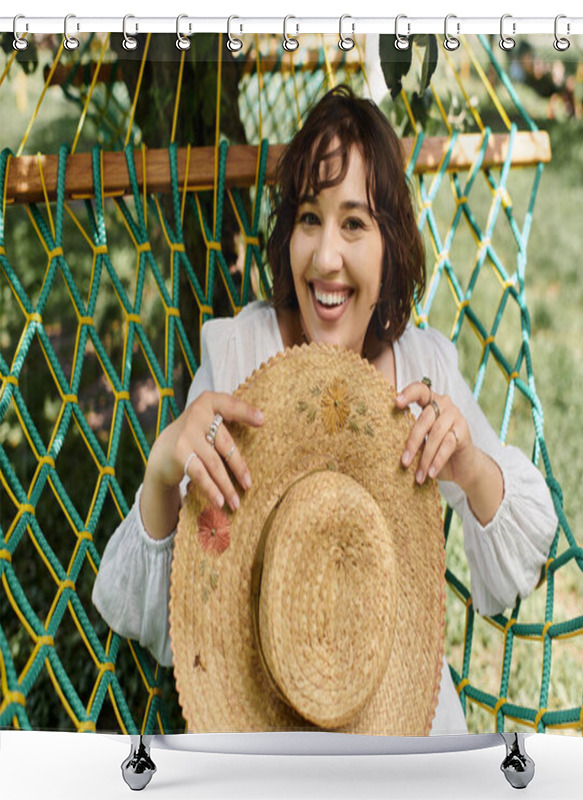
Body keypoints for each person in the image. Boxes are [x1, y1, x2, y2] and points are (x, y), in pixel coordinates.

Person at [92, 85, 558, 735]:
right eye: (309, 218)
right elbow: (156, 614)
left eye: (354, 222)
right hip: (260, 708)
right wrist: (163, 473)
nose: (326, 257)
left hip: (394, 708)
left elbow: (519, 567)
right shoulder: (240, 357)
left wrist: (472, 468)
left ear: (391, 243)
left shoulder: (423, 366)